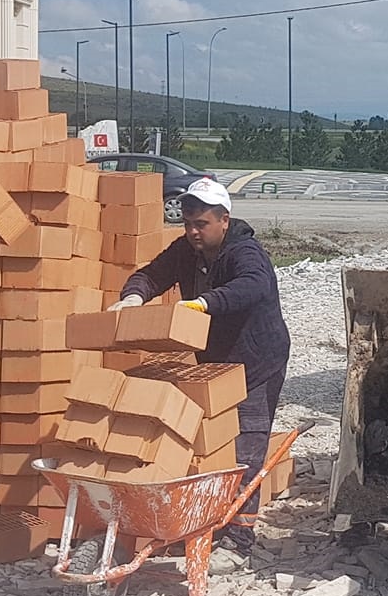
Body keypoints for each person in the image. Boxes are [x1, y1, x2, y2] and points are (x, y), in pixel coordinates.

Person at [113, 179, 291, 551]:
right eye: (188, 222)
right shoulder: (186, 252)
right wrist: (132, 297)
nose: (193, 230)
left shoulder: (245, 251)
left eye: (202, 223)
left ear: (224, 220)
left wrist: (204, 303)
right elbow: (152, 274)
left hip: (257, 362)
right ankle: (203, 521)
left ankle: (240, 538)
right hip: (215, 362)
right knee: (207, 445)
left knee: (245, 446)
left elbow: (253, 286)